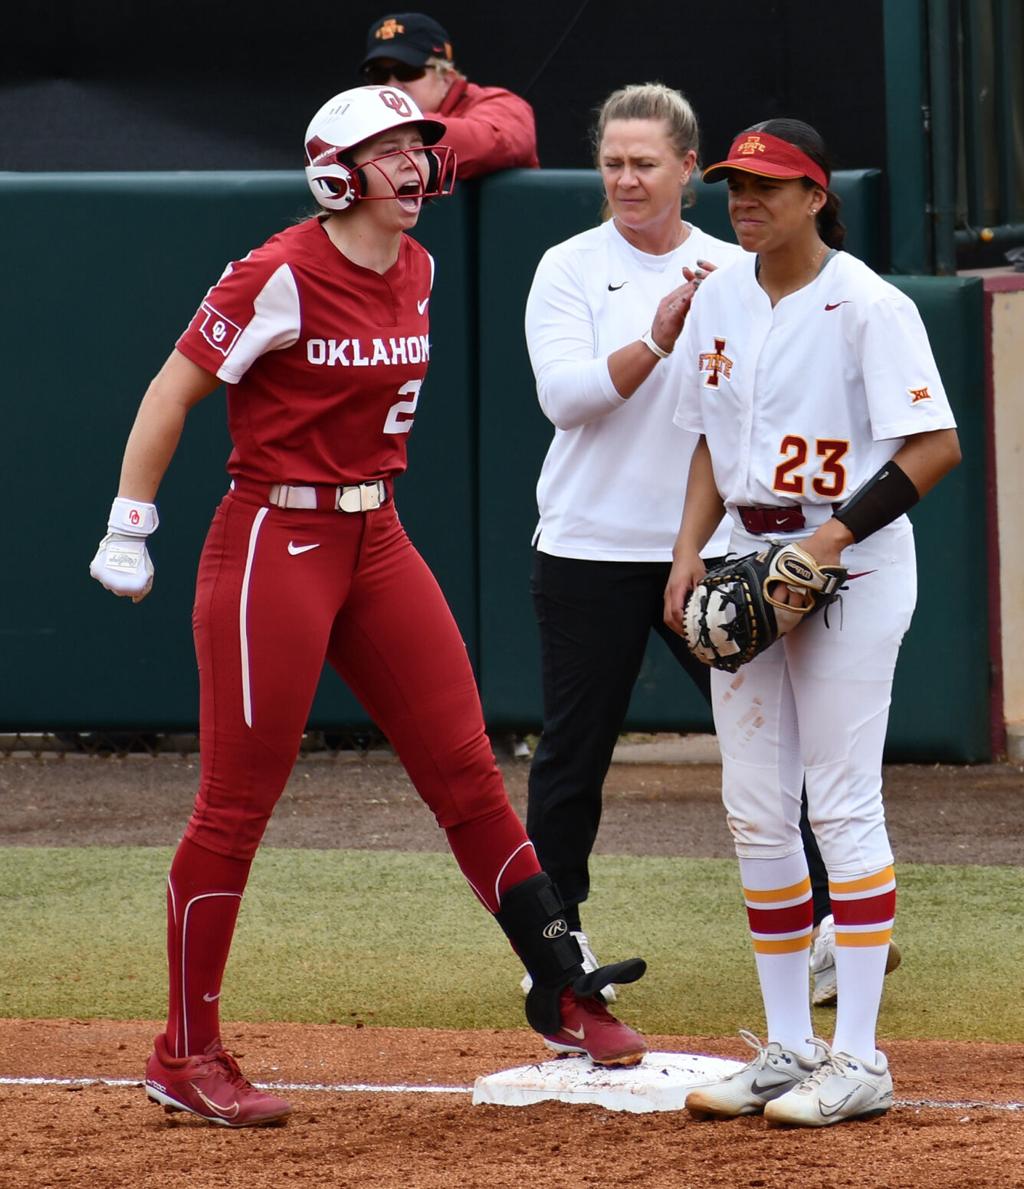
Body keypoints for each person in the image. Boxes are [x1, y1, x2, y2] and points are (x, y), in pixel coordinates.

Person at [89, 85, 647, 1129]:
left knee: (469, 773)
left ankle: (561, 986)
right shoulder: (280, 270)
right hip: (273, 536)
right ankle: (184, 1051)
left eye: (420, 146)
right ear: (337, 168)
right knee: (234, 807)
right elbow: (174, 386)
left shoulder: (422, 265)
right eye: (391, 147)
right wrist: (131, 520)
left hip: (374, 533)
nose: (416, 164)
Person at [664, 118, 961, 1126]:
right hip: (751, 559)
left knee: (839, 803)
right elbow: (706, 446)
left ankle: (860, 1055)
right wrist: (686, 552)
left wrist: (827, 543)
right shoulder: (716, 296)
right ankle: (787, 1047)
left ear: (814, 195)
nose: (743, 200)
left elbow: (932, 448)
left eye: (766, 186)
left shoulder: (866, 305)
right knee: (754, 808)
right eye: (732, 185)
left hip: (854, 566)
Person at [521, 82, 834, 1007]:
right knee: (574, 750)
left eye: (644, 162)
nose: (625, 178)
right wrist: (658, 340)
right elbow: (565, 399)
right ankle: (555, 940)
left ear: (688, 170)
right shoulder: (568, 267)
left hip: (713, 553)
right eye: (612, 162)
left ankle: (824, 928)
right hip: (585, 547)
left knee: (773, 744)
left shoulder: (737, 265)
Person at [358, 12, 539, 179]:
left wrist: (385, 132)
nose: (392, 85)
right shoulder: (368, 121)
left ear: (446, 77)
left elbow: (492, 145)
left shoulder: (500, 102)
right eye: (378, 75)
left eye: (407, 71)